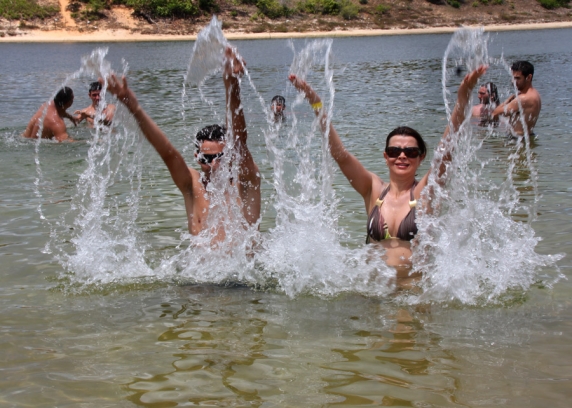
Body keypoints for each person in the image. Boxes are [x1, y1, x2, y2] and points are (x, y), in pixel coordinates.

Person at [289, 65, 487, 269]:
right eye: (394, 151)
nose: (401, 156)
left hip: (413, 293)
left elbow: (445, 153)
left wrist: (463, 100)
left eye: (410, 152)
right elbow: (340, 155)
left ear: (421, 157)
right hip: (372, 293)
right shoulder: (372, 189)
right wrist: (316, 103)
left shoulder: (425, 192)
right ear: (386, 156)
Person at [105, 46, 261, 241]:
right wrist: (134, 108)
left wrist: (232, 85)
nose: (214, 164)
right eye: (207, 158)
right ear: (197, 157)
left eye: (220, 157)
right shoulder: (192, 184)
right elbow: (168, 153)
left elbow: (239, 142)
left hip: (244, 270)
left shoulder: (245, 181)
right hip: (202, 270)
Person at [492, 61, 541, 137]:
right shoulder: (535, 94)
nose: (513, 81)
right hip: (526, 137)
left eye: (517, 78)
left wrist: (508, 100)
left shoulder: (524, 98)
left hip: (518, 140)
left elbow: (494, 114)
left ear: (529, 77)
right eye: (513, 78)